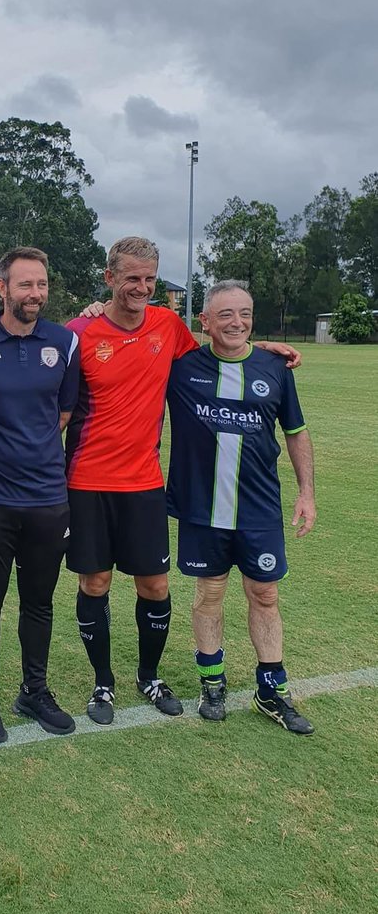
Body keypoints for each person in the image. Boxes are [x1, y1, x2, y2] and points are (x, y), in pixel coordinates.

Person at [65, 237, 300, 726]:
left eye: (150, 279)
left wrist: (266, 351)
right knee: (96, 581)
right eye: (132, 278)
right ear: (109, 278)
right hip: (87, 481)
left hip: (147, 482)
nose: (143, 288)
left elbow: (219, 352)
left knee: (154, 585)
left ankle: (148, 676)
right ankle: (102, 683)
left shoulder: (168, 326)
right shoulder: (79, 333)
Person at [166, 280, 316, 733]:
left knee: (265, 594)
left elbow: (295, 431)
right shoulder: (180, 367)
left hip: (258, 509)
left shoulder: (275, 368)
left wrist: (307, 492)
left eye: (245, 313)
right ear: (204, 321)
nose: (237, 322)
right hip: (200, 507)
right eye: (225, 314)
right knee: (209, 594)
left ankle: (271, 690)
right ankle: (212, 682)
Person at [0, 246, 81, 743]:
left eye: (42, 285)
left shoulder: (65, 342)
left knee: (39, 603)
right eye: (25, 285)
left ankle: (34, 690)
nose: (36, 294)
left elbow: (62, 415)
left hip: (49, 500)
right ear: (2, 288)